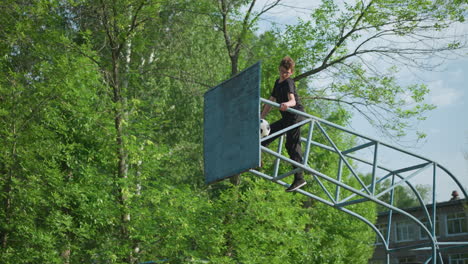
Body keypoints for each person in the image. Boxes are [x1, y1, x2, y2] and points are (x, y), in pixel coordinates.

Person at [260, 56, 306, 192]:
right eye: (281, 71)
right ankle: (256, 159)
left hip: (296, 115)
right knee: (267, 134)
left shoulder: (289, 82)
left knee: (291, 144)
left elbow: (293, 101)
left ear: (291, 72)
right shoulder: (278, 82)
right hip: (287, 118)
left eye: (286, 72)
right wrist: (261, 117)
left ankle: (299, 178)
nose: (283, 74)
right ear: (279, 69)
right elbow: (271, 100)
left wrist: (287, 104)